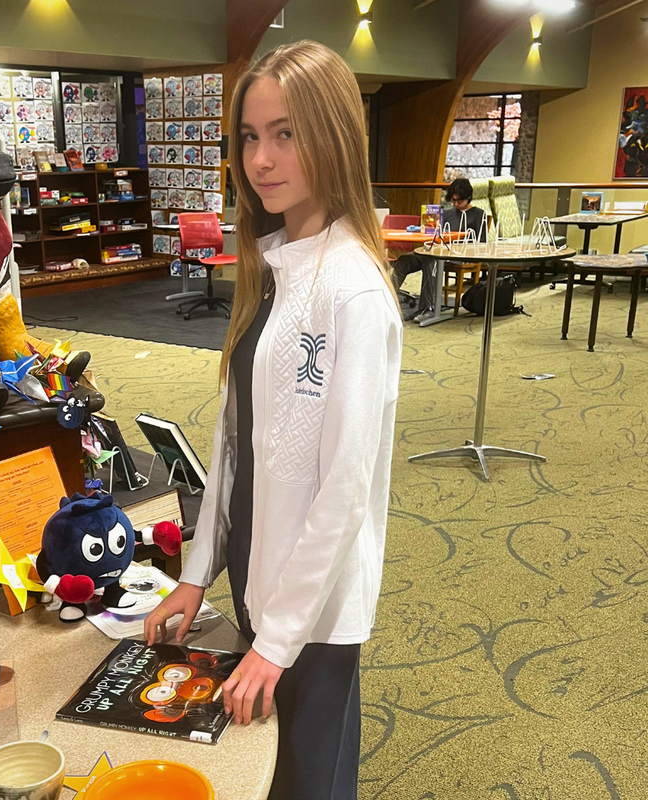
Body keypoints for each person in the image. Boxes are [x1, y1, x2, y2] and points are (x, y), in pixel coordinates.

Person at [143, 40, 403, 800]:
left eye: (286, 132)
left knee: (307, 782)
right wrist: (197, 575)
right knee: (270, 776)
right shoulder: (273, 265)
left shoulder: (350, 289)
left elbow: (345, 488)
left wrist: (281, 639)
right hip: (261, 579)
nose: (263, 158)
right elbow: (237, 443)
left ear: (334, 135)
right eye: (251, 136)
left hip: (313, 613)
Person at [392, 176, 487, 319]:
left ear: (468, 197)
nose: (455, 204)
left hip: (458, 254)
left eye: (459, 201)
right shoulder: (447, 213)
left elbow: (482, 241)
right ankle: (389, 298)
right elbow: (435, 236)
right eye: (453, 200)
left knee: (431, 262)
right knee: (404, 260)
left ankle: (427, 308)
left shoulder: (478, 215)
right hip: (436, 250)